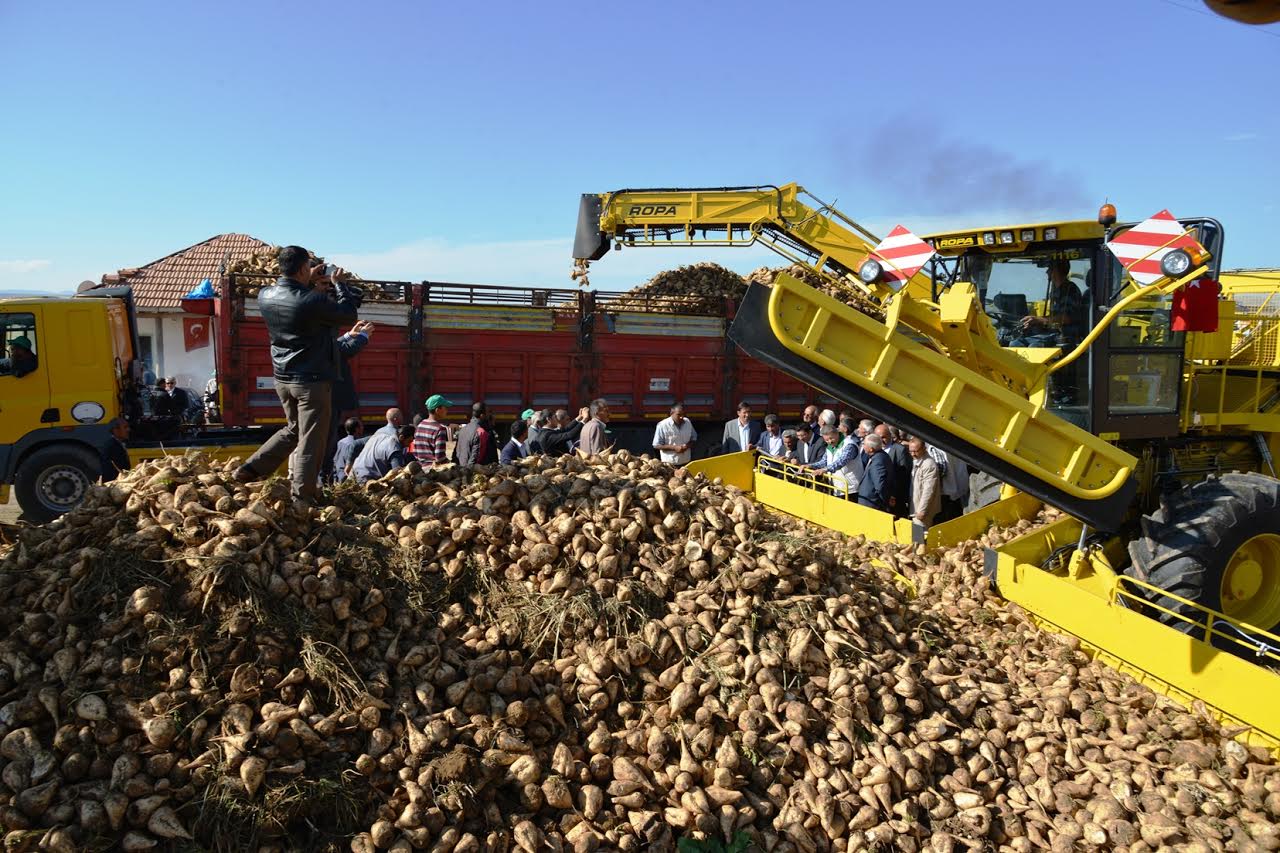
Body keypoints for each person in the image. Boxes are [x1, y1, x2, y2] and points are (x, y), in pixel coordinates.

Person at [234, 246, 361, 503]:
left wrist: (309, 280)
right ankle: (302, 495)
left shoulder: (265, 295)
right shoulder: (312, 301)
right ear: (303, 268)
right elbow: (349, 314)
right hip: (311, 381)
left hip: (283, 378)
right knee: (312, 438)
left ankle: (249, 469)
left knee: (293, 428)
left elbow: (297, 300)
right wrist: (338, 285)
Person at [322, 320, 373, 483]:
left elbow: (334, 346)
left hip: (326, 396)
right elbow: (343, 351)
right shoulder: (318, 334)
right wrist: (364, 335)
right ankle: (324, 482)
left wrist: (348, 335)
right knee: (327, 443)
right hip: (330, 397)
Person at [812, 425, 861, 497]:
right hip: (836, 487)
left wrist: (825, 469)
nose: (829, 442)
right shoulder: (829, 447)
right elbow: (823, 462)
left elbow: (841, 461)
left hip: (851, 489)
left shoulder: (849, 444)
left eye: (831, 438)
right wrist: (810, 465)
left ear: (837, 433)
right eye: (826, 440)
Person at [875, 424, 912, 518]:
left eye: (884, 437)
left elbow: (904, 474)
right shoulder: (874, 449)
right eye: (878, 438)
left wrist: (894, 495)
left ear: (890, 436)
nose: (881, 440)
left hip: (895, 496)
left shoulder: (900, 450)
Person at [927, 444, 970, 522]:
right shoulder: (954, 445)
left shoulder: (934, 448)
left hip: (946, 491)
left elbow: (941, 468)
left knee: (947, 518)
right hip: (961, 485)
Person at [908, 436, 942, 530]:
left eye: (916, 451)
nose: (913, 454)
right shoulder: (916, 459)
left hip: (922, 511)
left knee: (919, 538)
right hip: (915, 507)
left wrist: (922, 511)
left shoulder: (929, 464)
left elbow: (929, 490)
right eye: (911, 451)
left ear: (924, 449)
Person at [412, 394, 453, 466]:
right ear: (437, 410)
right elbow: (440, 458)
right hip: (433, 471)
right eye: (445, 408)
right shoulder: (440, 429)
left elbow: (415, 452)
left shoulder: (420, 425)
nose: (447, 410)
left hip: (419, 468)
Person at [856, 434, 893, 511]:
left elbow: (879, 485)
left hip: (871, 503)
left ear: (871, 449)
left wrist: (885, 501)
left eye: (864, 444)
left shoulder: (878, 461)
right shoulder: (881, 456)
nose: (863, 446)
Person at [332, 418, 366, 483]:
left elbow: (335, 460)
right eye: (361, 426)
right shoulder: (356, 445)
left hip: (338, 477)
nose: (363, 428)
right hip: (347, 480)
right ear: (357, 429)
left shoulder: (340, 442)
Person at [100, 417, 131, 481]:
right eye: (125, 427)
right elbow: (109, 470)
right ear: (116, 430)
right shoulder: (111, 446)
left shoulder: (118, 443)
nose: (128, 430)